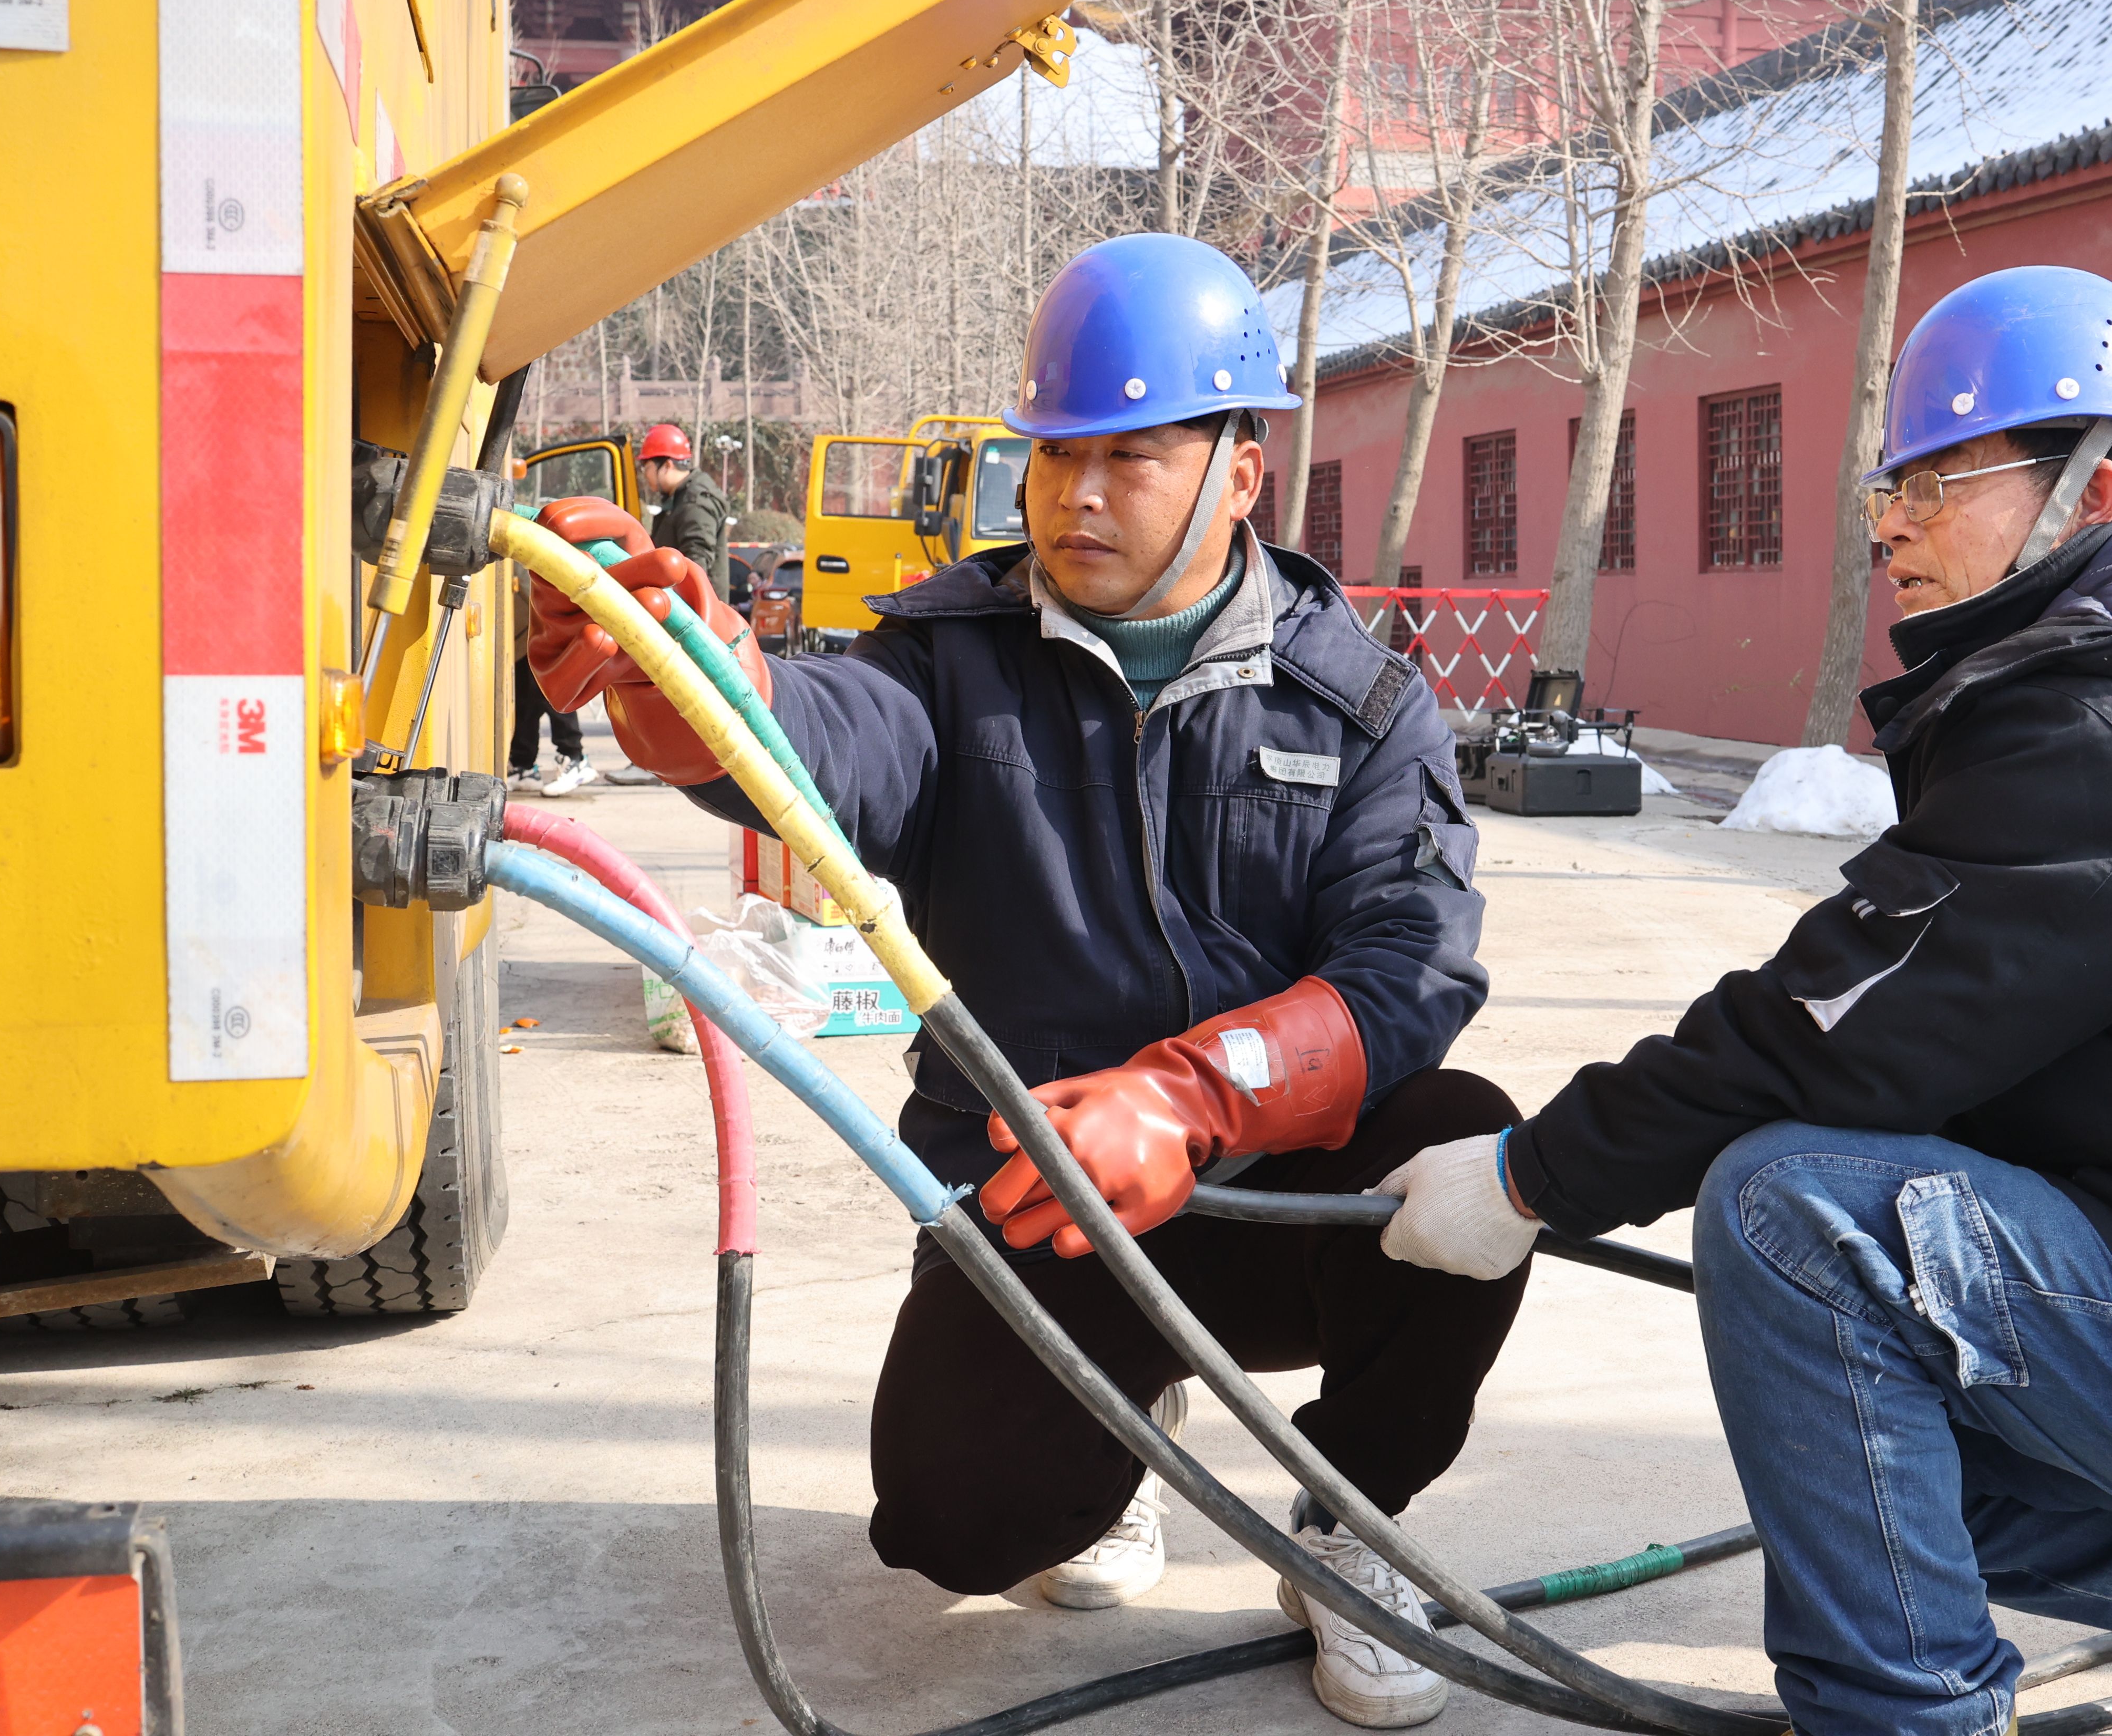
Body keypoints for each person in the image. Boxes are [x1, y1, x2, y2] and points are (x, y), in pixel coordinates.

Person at [1372, 267, 2112, 1736]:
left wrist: (1532, 1178)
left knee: (1794, 1214)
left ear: (2096, 496)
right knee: (1854, 1463)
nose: (1891, 525)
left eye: (1939, 482)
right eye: (1888, 487)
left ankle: (1903, 1719)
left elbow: (1825, 1033)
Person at [529, 234, 1510, 1731]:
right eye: (1055, 457)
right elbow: (823, 745)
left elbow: (1410, 971)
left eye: (1131, 457)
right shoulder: (952, 661)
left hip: (1281, 1204)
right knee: (953, 1530)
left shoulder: (1362, 706)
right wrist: (696, 681)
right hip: (1043, 1201)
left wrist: (1188, 1099)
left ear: (1241, 474)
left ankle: (1349, 1529)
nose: (1079, 497)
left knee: (1469, 1136)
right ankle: (1120, 1445)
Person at [508, 567, 593, 795]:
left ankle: (575, 758)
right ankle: (523, 765)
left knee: (552, 693)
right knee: (527, 697)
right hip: (528, 626)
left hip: (543, 620)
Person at [637, 421, 730, 586]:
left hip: (694, 610)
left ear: (667, 465)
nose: (645, 475)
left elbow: (696, 567)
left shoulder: (696, 503)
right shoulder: (679, 499)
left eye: (648, 468)